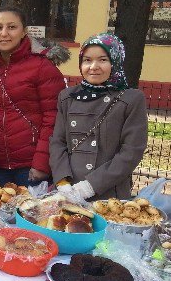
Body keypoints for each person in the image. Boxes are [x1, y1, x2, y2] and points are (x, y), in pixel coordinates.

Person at [50, 33, 147, 200]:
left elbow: (131, 151)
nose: (93, 66)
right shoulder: (67, 97)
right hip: (69, 191)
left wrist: (91, 186)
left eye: (103, 60)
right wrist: (63, 181)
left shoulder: (131, 99)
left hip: (109, 194)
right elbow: (58, 142)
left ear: (115, 62)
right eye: (87, 60)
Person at [0, 7, 68, 186]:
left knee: (29, 213)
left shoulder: (42, 66)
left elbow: (54, 117)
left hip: (30, 166)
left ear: (24, 31)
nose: (4, 33)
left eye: (12, 27)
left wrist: (42, 163)